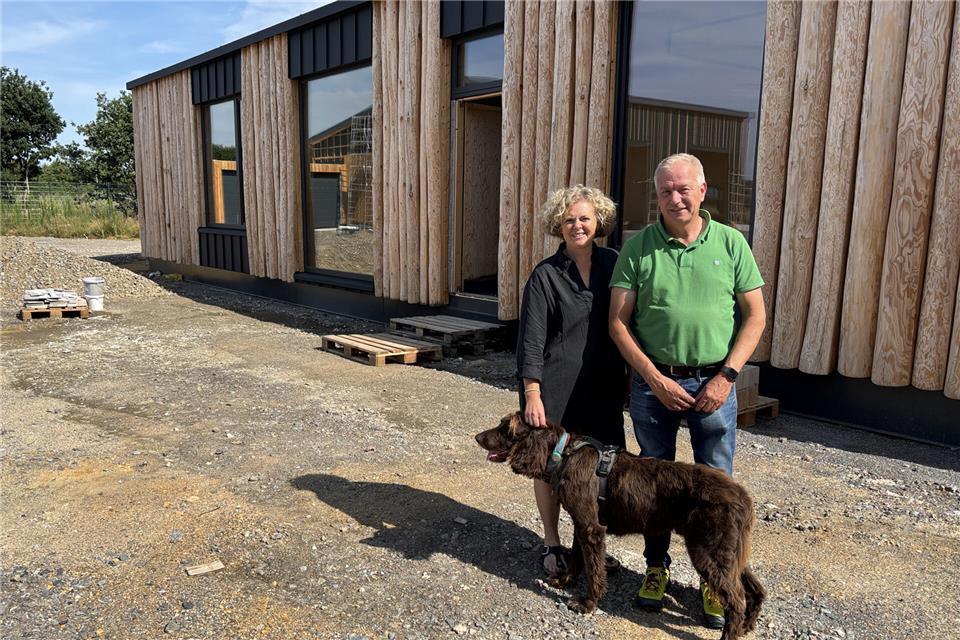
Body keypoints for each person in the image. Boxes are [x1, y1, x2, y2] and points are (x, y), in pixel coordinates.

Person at [608, 153, 765, 628]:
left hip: (715, 381)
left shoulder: (731, 243)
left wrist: (727, 376)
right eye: (665, 191)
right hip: (656, 383)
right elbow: (618, 323)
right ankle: (656, 568)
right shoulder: (639, 248)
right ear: (656, 196)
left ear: (702, 190)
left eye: (683, 189)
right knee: (652, 488)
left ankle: (717, 580)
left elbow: (755, 317)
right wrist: (654, 379)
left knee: (715, 486)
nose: (675, 198)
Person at [516, 185, 628, 577]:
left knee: (601, 469)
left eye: (584, 218)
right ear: (558, 226)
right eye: (568, 220)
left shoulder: (614, 264)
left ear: (599, 222)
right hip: (555, 388)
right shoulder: (546, 275)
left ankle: (590, 545)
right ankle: (552, 542)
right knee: (549, 466)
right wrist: (532, 392)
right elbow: (530, 340)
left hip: (604, 385)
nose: (577, 226)